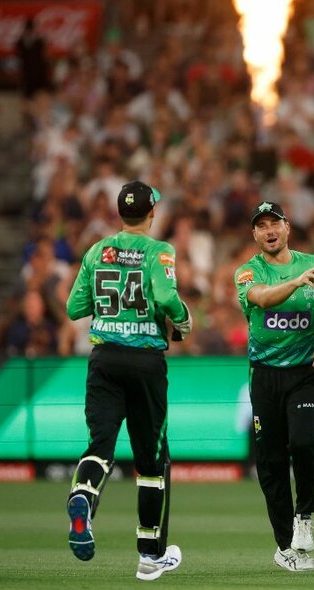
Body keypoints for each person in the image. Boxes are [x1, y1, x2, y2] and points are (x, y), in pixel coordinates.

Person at [65, 180, 192, 581]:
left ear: (121, 213)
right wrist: (184, 319)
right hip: (144, 362)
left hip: (103, 360)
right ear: (152, 212)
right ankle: (149, 555)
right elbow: (167, 297)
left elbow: (73, 308)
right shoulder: (160, 251)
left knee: (100, 445)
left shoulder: (96, 251)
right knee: (151, 463)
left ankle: (83, 496)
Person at [233, 201, 314, 572]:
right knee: (270, 462)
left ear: (287, 227)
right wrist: (293, 284)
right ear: (254, 234)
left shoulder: (313, 264)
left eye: (275, 223)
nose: (269, 231)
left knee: (304, 440)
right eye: (261, 226)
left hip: (305, 373)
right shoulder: (247, 272)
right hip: (265, 374)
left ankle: (305, 515)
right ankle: (286, 548)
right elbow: (261, 298)